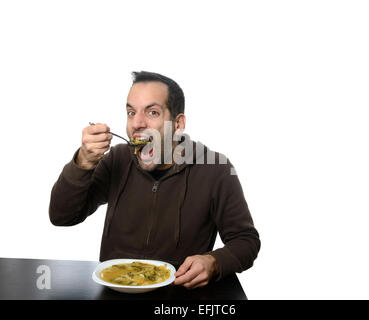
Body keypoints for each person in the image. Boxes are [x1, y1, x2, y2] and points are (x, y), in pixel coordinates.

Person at [49, 71, 260, 289]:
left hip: (179, 297)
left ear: (178, 124)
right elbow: (61, 216)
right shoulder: (117, 160)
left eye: (152, 112)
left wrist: (214, 262)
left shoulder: (216, 169)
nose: (137, 123)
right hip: (115, 290)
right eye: (131, 112)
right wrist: (83, 162)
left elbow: (246, 241)